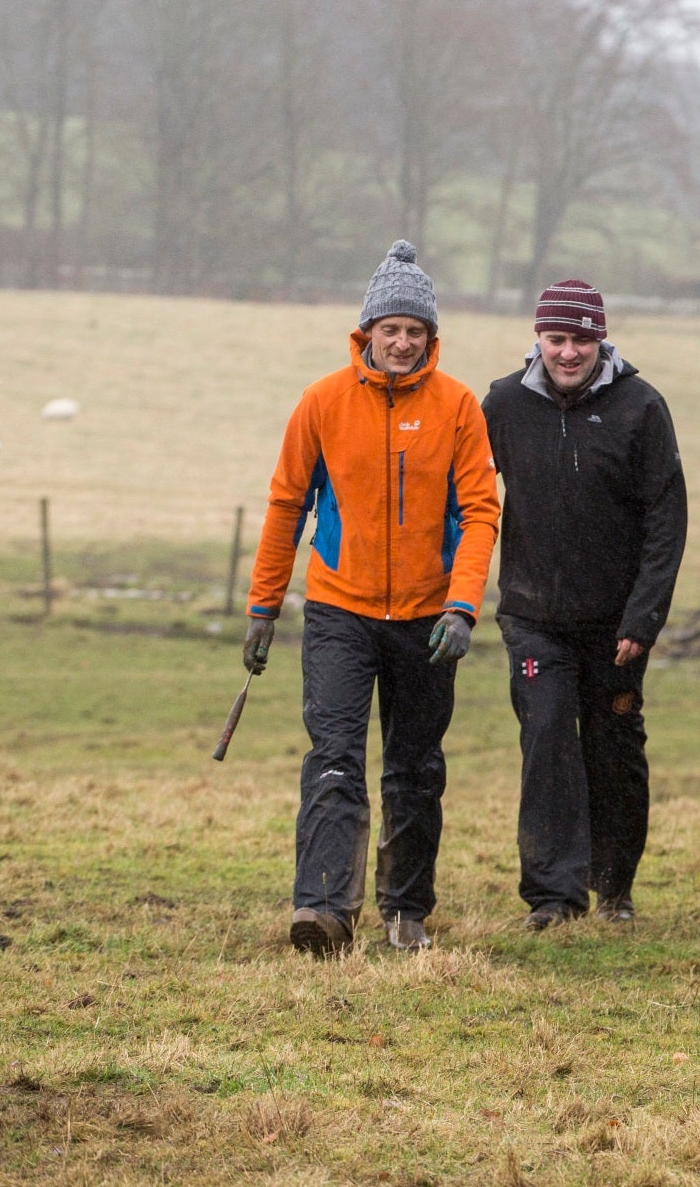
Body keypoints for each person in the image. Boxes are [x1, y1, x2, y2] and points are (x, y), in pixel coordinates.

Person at [241, 241, 499, 956]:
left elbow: (481, 512)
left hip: (428, 619)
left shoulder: (459, 408)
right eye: (391, 328)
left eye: (416, 331)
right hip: (338, 612)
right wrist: (263, 608)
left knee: (416, 766)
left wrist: (462, 605)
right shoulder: (321, 402)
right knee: (334, 756)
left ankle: (407, 908)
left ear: (430, 338)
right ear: (367, 332)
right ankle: (322, 909)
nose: (403, 342)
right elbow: (286, 503)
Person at [481, 281, 686, 931]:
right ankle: (552, 895)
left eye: (581, 340)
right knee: (546, 738)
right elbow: (467, 489)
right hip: (533, 616)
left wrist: (644, 618)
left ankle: (613, 886)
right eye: (557, 339)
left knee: (612, 745)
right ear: (538, 339)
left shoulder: (641, 408)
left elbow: (666, 520)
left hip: (618, 625)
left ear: (601, 338)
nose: (569, 353)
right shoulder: (504, 403)